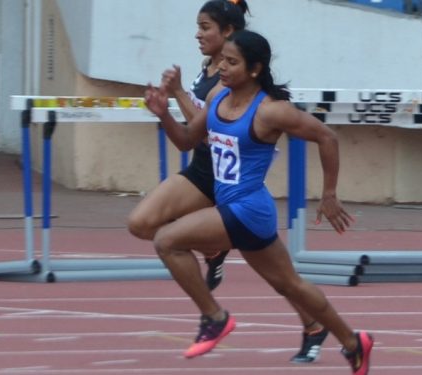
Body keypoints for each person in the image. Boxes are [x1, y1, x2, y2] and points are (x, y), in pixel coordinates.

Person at [143, 29, 373, 374]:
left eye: (232, 62)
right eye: (222, 60)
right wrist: (163, 114)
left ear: (254, 69)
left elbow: (327, 137)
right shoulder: (219, 98)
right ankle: (354, 343)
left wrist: (329, 194)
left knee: (167, 240)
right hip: (243, 212)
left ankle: (214, 317)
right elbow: (188, 141)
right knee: (290, 284)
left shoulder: (270, 111)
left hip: (247, 209)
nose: (222, 67)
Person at [127, 0, 329, 363]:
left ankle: (313, 324)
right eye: (198, 27)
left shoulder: (239, 81)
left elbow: (206, 129)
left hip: (235, 183)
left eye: (206, 27)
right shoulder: (210, 72)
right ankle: (212, 249)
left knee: (279, 275)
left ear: (229, 34)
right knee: (141, 224)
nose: (198, 34)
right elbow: (194, 134)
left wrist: (175, 96)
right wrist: (168, 105)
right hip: (205, 173)